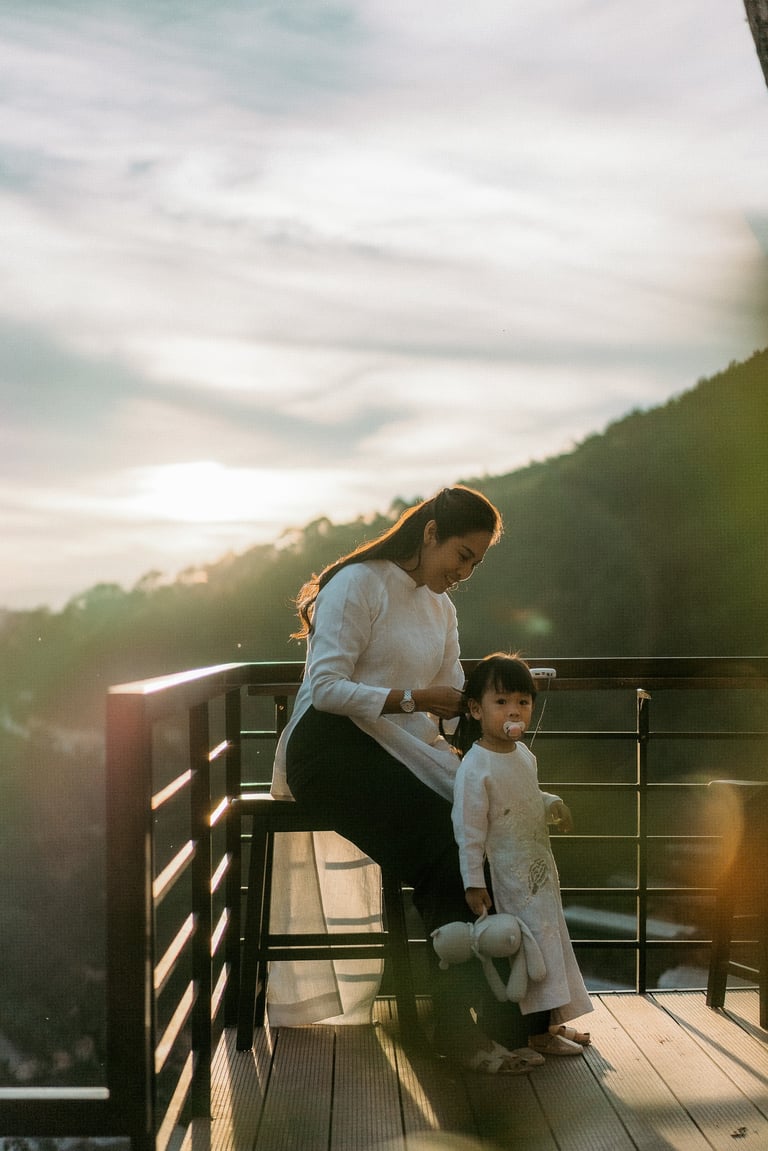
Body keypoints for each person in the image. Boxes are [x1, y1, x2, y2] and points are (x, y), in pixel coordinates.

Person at [269, 486, 540, 1074]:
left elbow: (447, 702)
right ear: (430, 532)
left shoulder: (441, 609)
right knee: (445, 847)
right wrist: (413, 698)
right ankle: (468, 1030)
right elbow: (326, 690)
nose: (465, 571)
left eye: (476, 563)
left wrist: (482, 711)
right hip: (330, 749)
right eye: (462, 555)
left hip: (396, 747)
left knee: (481, 835)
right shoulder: (359, 583)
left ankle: (502, 1025)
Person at [451, 652, 593, 1057]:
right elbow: (470, 830)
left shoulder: (523, 756)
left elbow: (524, 798)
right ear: (476, 709)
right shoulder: (475, 767)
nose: (514, 711)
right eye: (502, 703)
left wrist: (551, 803)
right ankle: (532, 1034)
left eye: (523, 702)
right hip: (508, 879)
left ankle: (550, 1023)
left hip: (538, 873)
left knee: (550, 945)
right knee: (526, 956)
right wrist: (473, 882)